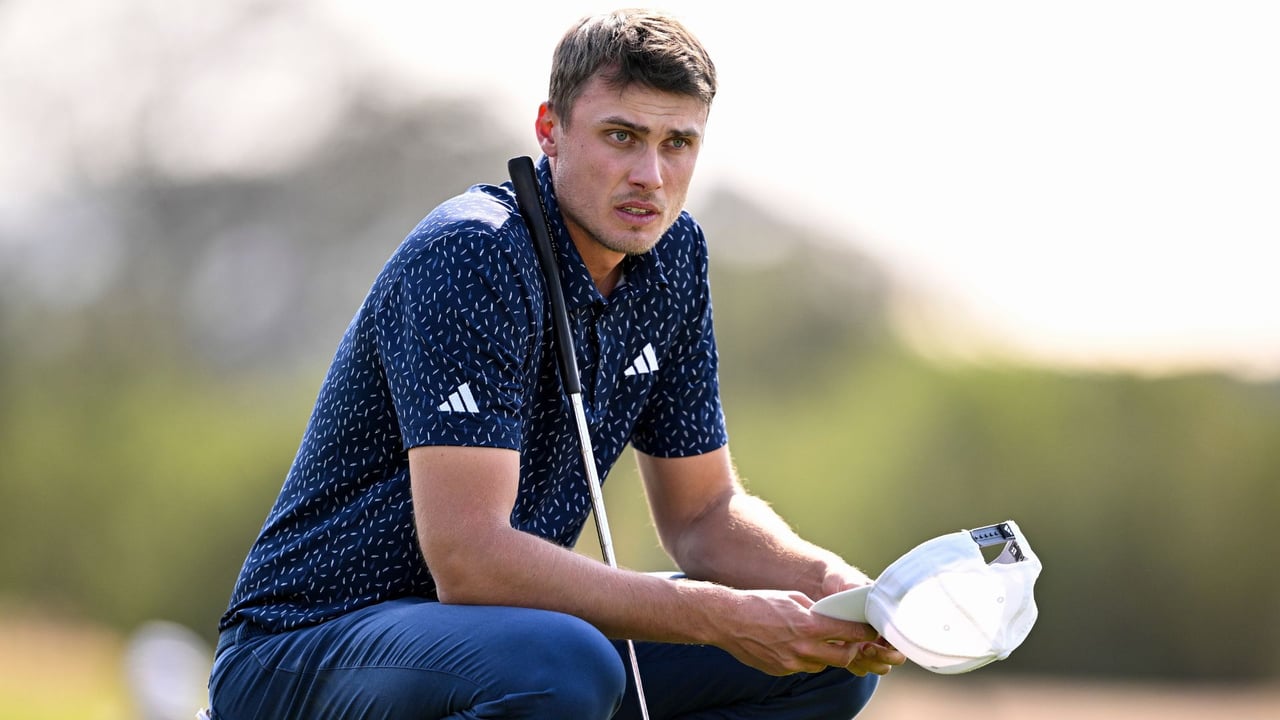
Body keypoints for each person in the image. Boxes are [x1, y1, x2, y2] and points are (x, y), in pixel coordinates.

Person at [206, 8, 905, 719]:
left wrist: (835, 587)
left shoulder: (673, 257)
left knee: (824, 661)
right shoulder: (473, 253)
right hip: (304, 643)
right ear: (550, 130)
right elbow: (468, 559)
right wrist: (717, 616)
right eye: (621, 136)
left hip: (501, 641)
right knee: (565, 665)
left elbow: (702, 513)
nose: (650, 176)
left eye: (677, 143)